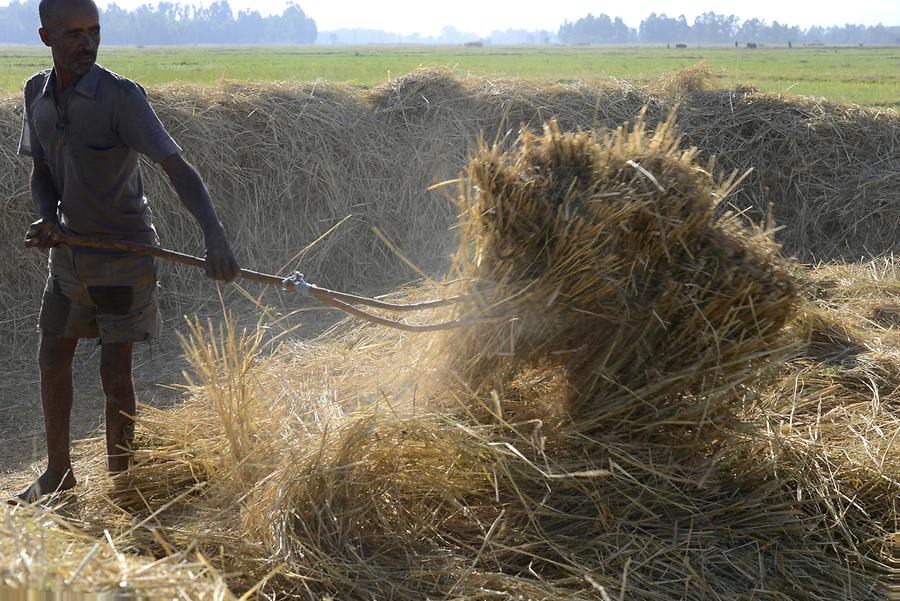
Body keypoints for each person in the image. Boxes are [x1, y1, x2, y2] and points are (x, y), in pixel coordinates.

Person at [13, 0, 239, 503]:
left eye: (94, 31)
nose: (86, 43)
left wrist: (215, 236)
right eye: (72, 34)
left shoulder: (120, 97)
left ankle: (124, 484)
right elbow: (42, 171)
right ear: (46, 37)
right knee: (53, 358)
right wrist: (48, 218)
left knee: (114, 372)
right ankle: (58, 474)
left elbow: (177, 169)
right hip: (70, 255)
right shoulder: (37, 94)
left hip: (123, 257)